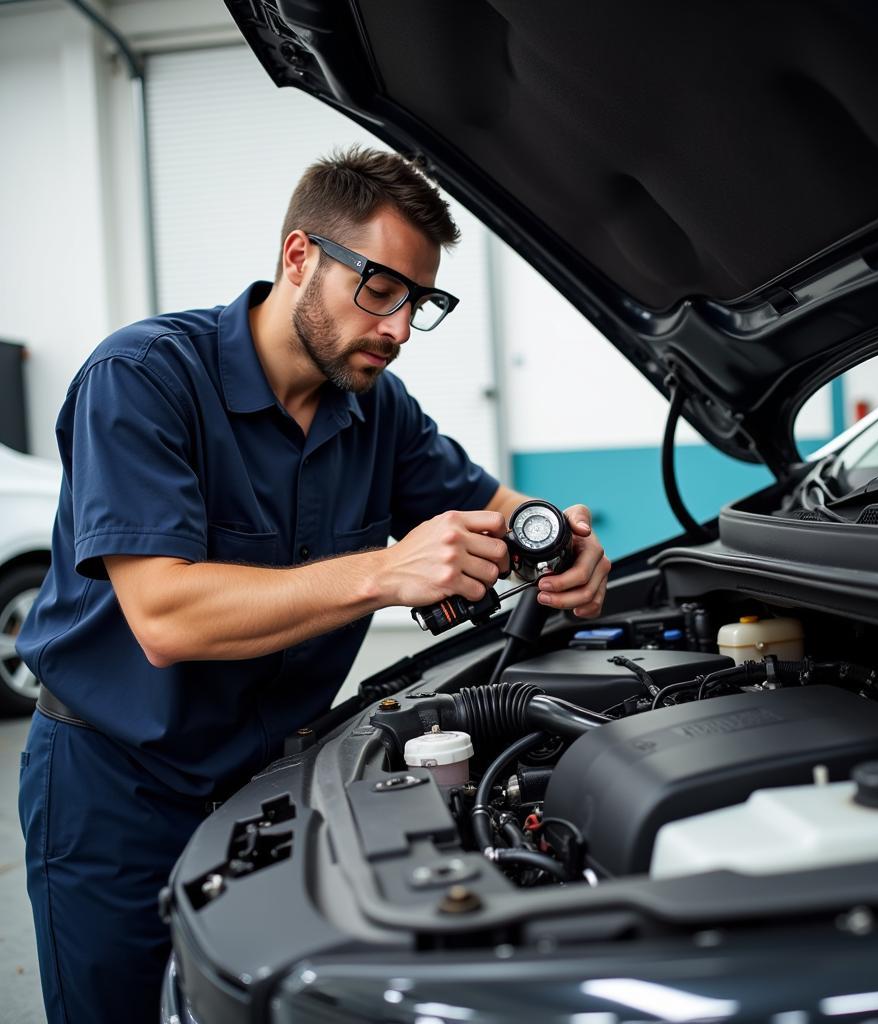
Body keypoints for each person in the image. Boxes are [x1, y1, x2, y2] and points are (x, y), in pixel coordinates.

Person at [16, 146, 611, 1023]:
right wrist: (382, 571)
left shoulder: (378, 408)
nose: (400, 327)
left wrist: (562, 543)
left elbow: (502, 509)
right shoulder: (141, 381)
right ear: (300, 258)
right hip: (117, 791)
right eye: (380, 288)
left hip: (273, 786)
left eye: (421, 301)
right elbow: (165, 617)